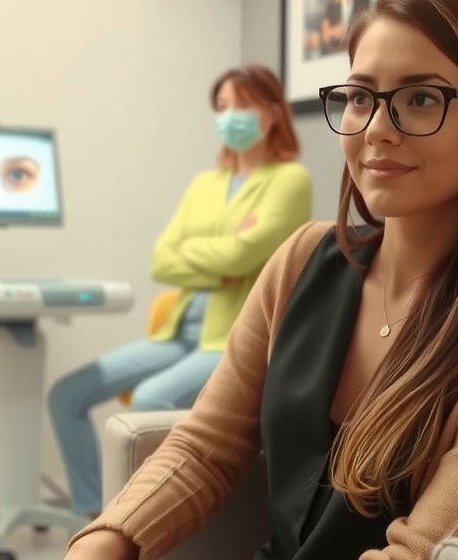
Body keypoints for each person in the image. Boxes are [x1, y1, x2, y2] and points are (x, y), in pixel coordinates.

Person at [0, 0, 458, 560]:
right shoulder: (303, 260)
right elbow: (204, 448)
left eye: (421, 98)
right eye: (358, 98)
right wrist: (96, 550)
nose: (377, 129)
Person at [47, 65, 313, 521]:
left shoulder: (290, 180)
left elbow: (244, 256)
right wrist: (222, 261)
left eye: (242, 106)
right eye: (222, 107)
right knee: (67, 394)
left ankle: (136, 525)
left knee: (152, 400)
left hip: (231, 338)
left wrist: (202, 254)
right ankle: (93, 514)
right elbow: (162, 259)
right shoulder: (204, 185)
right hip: (178, 332)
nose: (230, 117)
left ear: (271, 114)